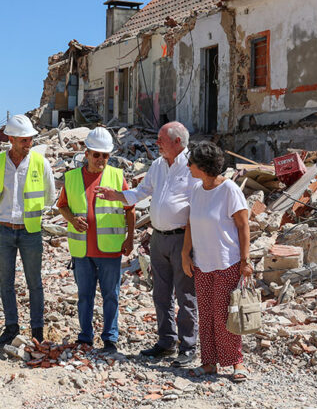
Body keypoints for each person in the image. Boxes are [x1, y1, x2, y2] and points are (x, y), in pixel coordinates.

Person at [95, 121, 198, 366]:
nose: (157, 143)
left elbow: (199, 202)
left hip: (183, 240)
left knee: (185, 295)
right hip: (159, 237)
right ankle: (166, 342)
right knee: (161, 294)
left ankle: (188, 346)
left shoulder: (192, 165)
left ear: (177, 142)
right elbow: (141, 192)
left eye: (162, 139)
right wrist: (117, 196)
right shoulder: (158, 165)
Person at [180, 141, 253, 382]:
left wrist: (245, 261)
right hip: (202, 265)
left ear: (203, 166)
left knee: (225, 317)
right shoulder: (198, 190)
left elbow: (243, 225)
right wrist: (185, 253)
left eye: (192, 163)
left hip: (227, 264)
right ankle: (209, 363)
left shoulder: (229, 189)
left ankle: (236, 363)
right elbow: (191, 223)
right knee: (207, 315)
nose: (188, 166)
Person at [58, 127, 135, 354]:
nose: (101, 159)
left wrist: (130, 238)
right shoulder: (71, 178)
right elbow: (62, 205)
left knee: (111, 295)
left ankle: (110, 338)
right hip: (82, 250)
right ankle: (85, 337)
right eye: (96, 154)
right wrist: (72, 219)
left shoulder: (117, 177)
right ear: (87, 153)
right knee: (85, 295)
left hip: (110, 250)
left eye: (105, 155)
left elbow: (130, 209)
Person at [0, 114, 56, 346]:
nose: (29, 144)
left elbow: (49, 196)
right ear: (12, 139)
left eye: (30, 139)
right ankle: (11, 328)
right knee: (6, 282)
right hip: (4, 230)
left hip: (30, 231)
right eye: (24, 140)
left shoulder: (40, 163)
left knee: (34, 282)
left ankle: (37, 332)